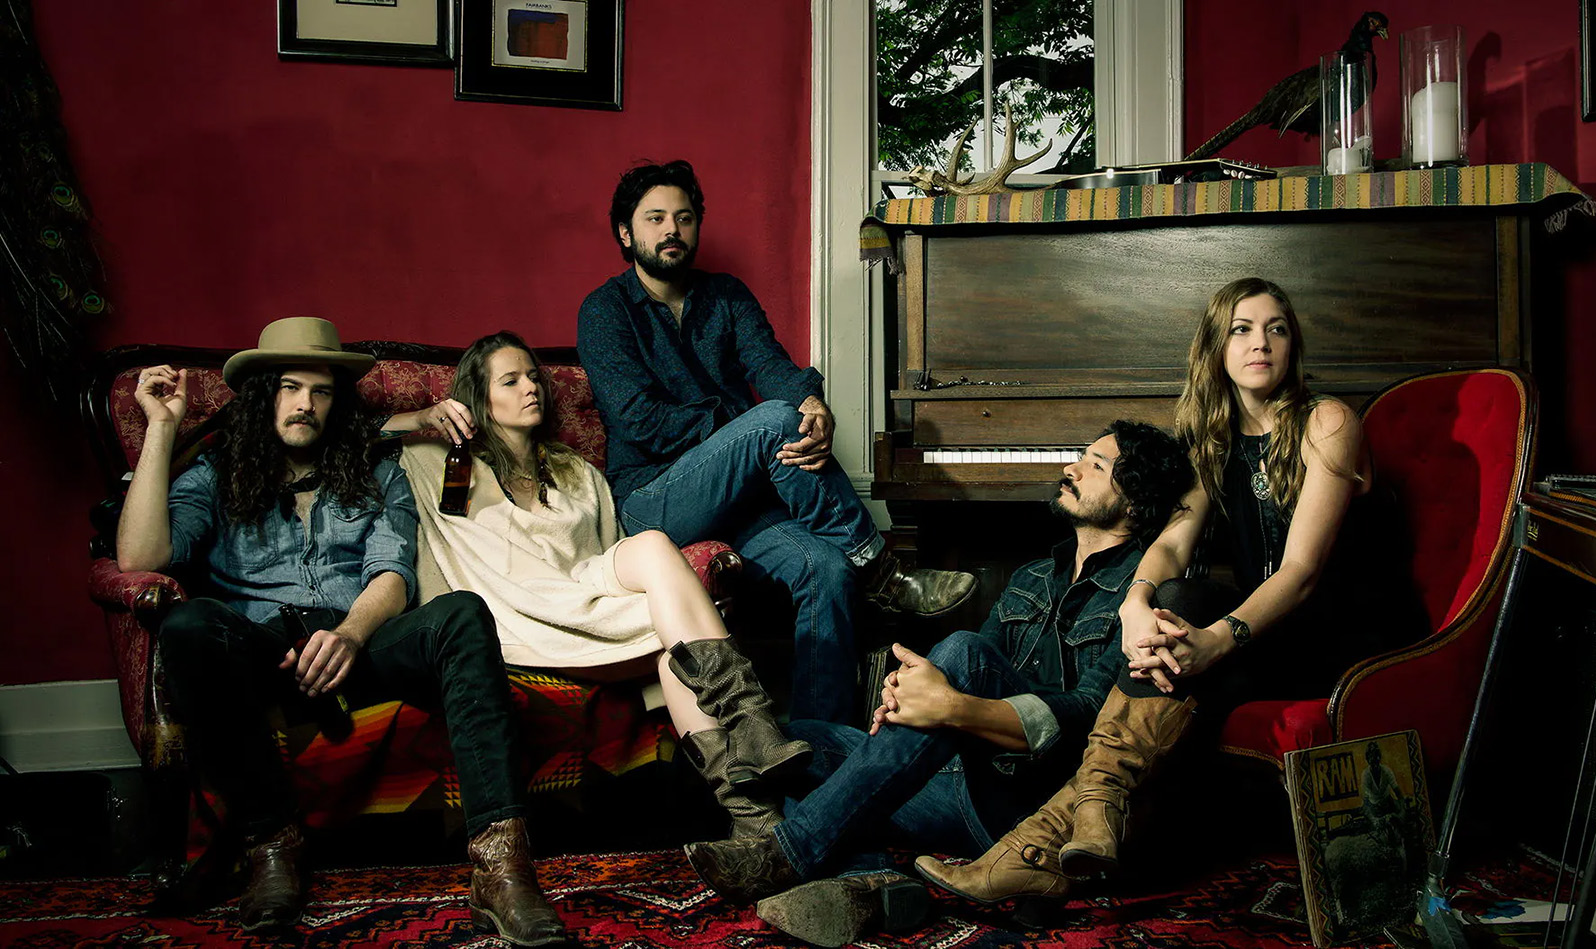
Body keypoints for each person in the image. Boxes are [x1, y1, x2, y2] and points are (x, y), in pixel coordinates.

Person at [913, 277, 1425, 906]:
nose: (1259, 343)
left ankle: (1035, 849)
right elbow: (1172, 546)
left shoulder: (1327, 421)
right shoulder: (1212, 439)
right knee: (1174, 604)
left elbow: (1301, 574)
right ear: (1215, 348)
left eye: (1276, 328)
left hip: (1347, 639)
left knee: (1189, 615)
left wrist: (1216, 639)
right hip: (1272, 639)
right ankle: (1083, 827)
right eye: (1240, 329)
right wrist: (1135, 599)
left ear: (1293, 346)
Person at [115, 318, 571, 945]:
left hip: (359, 637)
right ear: (261, 397)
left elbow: (391, 573)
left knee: (461, 613)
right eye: (289, 388)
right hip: (262, 646)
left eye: (321, 391)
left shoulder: (374, 467)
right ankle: (271, 841)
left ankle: (502, 868)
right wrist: (162, 429)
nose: (305, 404)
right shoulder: (218, 474)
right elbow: (142, 557)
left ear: (338, 402)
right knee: (189, 623)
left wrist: (353, 633)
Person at [679, 421, 1194, 947]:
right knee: (802, 743)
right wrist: (907, 700)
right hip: (963, 787)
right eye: (1079, 457)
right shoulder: (1034, 575)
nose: (1070, 467)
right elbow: (964, 682)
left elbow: (1090, 716)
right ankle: (876, 883)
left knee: (962, 649)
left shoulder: (1143, 598)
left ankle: (794, 852)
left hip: (1036, 814)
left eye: (1096, 465)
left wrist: (949, 706)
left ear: (1134, 502)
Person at [576, 159, 977, 724]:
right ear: (626, 232)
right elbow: (642, 421)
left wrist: (811, 403)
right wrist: (751, 427)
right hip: (654, 503)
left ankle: (826, 744)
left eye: (684, 218)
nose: (672, 230)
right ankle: (884, 573)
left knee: (827, 571)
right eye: (656, 218)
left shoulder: (726, 296)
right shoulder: (604, 312)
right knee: (770, 423)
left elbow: (771, 365)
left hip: (740, 500)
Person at [389, 331, 810, 836]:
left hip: (588, 589)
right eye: (511, 380)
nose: (532, 388)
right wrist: (417, 419)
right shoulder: (435, 459)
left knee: (655, 550)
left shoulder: (574, 470)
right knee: (674, 648)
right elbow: (342, 437)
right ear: (478, 399)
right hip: (521, 612)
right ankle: (757, 802)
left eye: (533, 377)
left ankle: (754, 800)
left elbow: (605, 549)